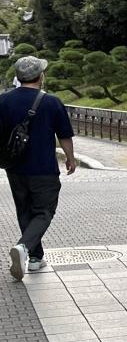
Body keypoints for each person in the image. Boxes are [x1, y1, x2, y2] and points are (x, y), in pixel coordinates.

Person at [1, 56, 76, 279]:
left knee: (25, 211)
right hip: (44, 168)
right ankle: (24, 247)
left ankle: (35, 258)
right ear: (40, 76)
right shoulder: (51, 102)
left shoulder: (3, 101)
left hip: (14, 167)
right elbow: (64, 135)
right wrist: (70, 158)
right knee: (44, 211)